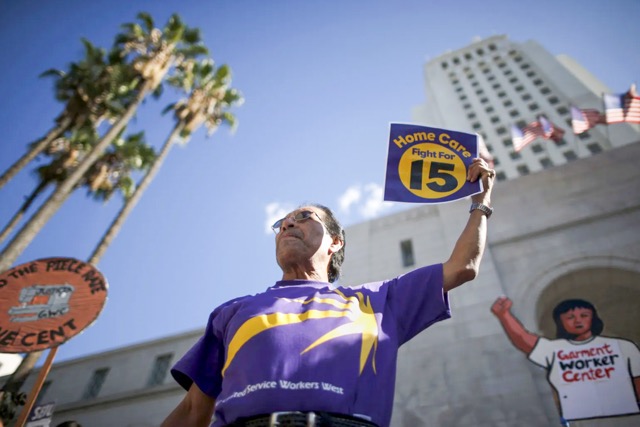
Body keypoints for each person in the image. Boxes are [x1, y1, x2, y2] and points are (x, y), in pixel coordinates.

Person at [161, 158, 495, 427]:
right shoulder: (231, 312)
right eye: (282, 223)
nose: (288, 225)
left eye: (304, 217)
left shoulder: (378, 301)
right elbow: (192, 412)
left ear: (335, 242)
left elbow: (462, 266)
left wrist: (480, 203)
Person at [491, 296, 640, 423]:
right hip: (583, 421)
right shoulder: (555, 350)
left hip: (628, 418)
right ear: (561, 322)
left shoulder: (623, 346)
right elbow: (524, 340)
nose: (577, 321)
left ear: (593, 318)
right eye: (570, 317)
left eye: (584, 315)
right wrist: (504, 315)